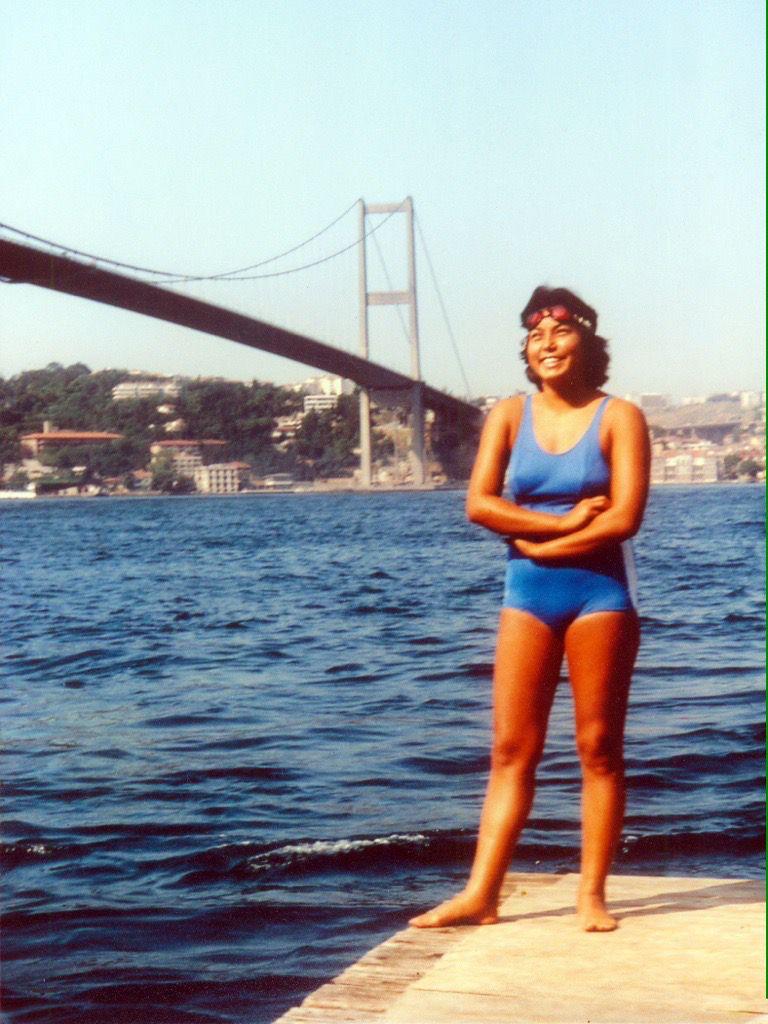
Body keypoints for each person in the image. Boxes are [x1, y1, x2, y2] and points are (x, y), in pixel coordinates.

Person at [410, 286, 650, 933]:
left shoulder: (621, 417)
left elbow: (624, 517)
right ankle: (481, 895)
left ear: (587, 343)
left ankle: (591, 895)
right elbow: (479, 504)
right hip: (527, 596)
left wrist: (542, 542)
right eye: (535, 335)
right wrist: (565, 523)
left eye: (561, 332)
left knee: (598, 747)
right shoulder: (508, 416)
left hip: (602, 593)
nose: (547, 343)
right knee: (511, 749)